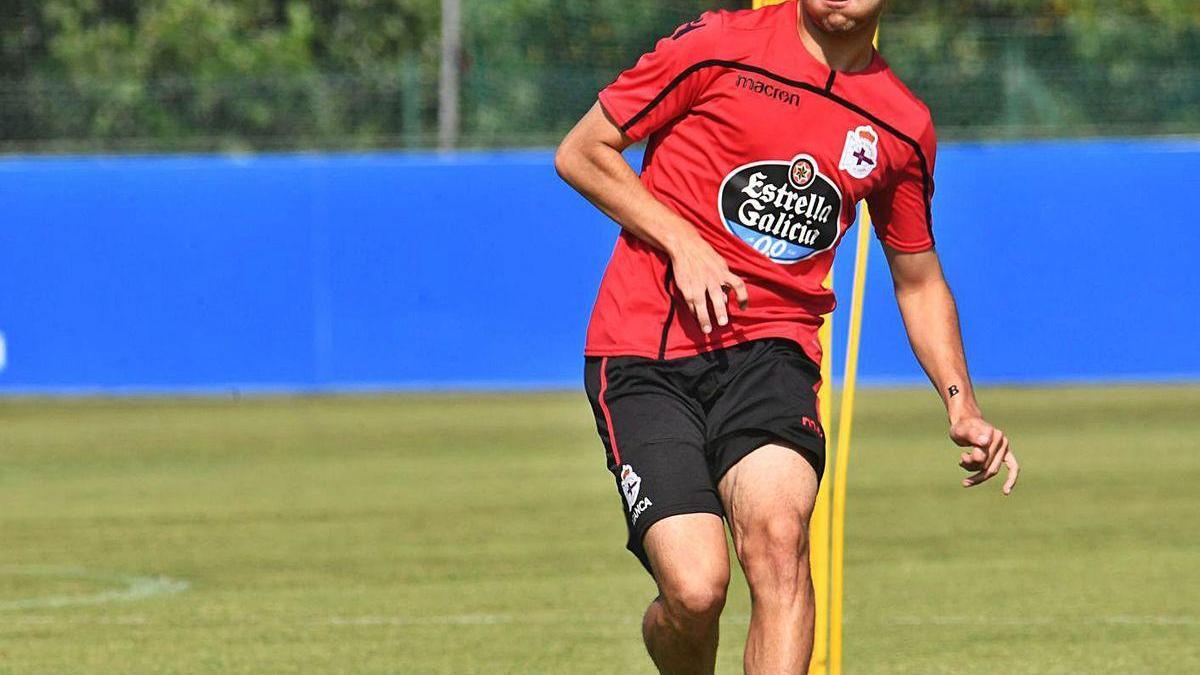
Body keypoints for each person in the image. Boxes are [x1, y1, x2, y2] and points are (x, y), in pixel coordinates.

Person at [555, 1, 1020, 672]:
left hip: (775, 354)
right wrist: (682, 243)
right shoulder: (717, 45)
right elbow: (581, 151)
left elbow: (917, 279)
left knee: (779, 541)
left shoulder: (901, 122)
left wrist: (961, 402)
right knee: (695, 589)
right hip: (645, 348)